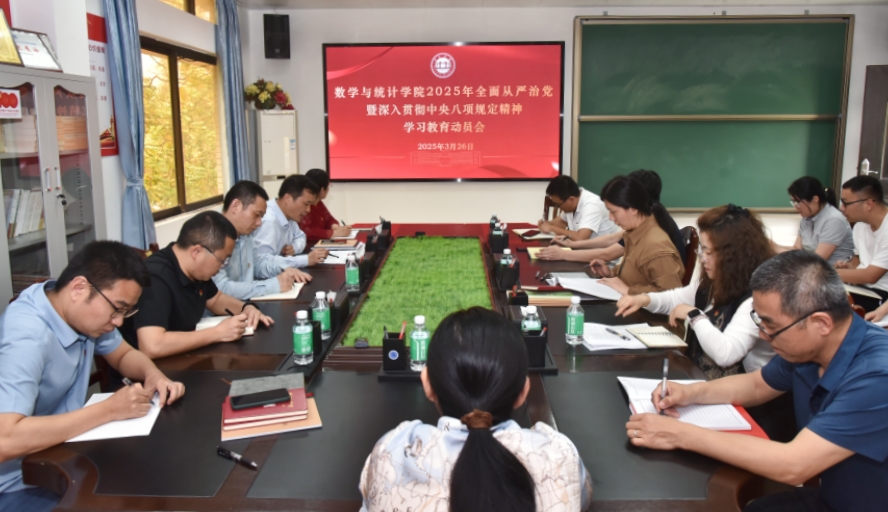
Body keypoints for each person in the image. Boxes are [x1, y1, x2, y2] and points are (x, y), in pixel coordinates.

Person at [625, 251, 888, 512]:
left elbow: (793, 465)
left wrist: (678, 434)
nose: (763, 335)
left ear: (821, 323)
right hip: (832, 496)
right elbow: (757, 385)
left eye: (771, 326)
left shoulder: (877, 376)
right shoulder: (810, 348)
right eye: (759, 321)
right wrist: (690, 392)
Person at [0, 241, 185, 512]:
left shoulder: (72, 308)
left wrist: (153, 375)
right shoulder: (27, 337)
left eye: (126, 312)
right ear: (79, 288)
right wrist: (109, 410)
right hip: (19, 483)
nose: (119, 322)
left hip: (63, 454)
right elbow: (5, 439)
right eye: (117, 308)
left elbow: (123, 355)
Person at [360, 307, 592, 512]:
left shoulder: (393, 450)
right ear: (524, 391)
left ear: (427, 384)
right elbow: (582, 494)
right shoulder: (560, 454)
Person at [616, 205, 775, 379]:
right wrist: (643, 299)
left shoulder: (756, 299)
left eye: (708, 251)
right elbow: (674, 298)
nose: (702, 258)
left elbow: (726, 354)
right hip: (701, 377)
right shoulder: (712, 283)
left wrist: (694, 315)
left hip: (741, 390)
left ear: (733, 256)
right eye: (701, 249)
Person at [121, 211, 273, 359]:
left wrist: (246, 308)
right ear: (196, 251)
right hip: (151, 370)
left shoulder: (196, 270)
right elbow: (152, 346)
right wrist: (218, 333)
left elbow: (216, 299)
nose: (222, 266)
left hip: (185, 358)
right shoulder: (155, 278)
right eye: (222, 260)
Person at [538, 170, 686, 263]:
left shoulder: (653, 223)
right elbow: (612, 239)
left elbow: (608, 253)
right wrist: (571, 244)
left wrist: (563, 254)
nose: (611, 217)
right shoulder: (650, 215)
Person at [214, 180, 311, 301]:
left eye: (261, 217)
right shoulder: (212, 236)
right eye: (256, 215)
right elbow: (221, 289)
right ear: (236, 206)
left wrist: (283, 269)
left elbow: (257, 264)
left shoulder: (246, 235)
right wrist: (272, 285)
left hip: (245, 304)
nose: (259, 223)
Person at [591, 176, 684, 295]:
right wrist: (610, 273)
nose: (611, 218)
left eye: (613, 211)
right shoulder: (636, 232)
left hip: (639, 306)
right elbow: (635, 273)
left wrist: (629, 291)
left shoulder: (656, 246)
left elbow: (671, 295)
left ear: (633, 209)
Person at [772, 176, 854, 266]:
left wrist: (777, 249)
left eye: (798, 202)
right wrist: (774, 246)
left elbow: (817, 260)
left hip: (831, 270)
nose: (796, 206)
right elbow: (797, 249)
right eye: (793, 202)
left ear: (815, 200)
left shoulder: (834, 220)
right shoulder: (807, 217)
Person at [253, 174, 329, 270]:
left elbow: (301, 236)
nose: (308, 210)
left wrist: (294, 247)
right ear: (288, 198)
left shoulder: (289, 215)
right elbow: (263, 261)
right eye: (306, 204)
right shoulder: (268, 220)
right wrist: (305, 260)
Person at [836, 176, 888, 311]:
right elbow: (858, 261)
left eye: (845, 203)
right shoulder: (860, 226)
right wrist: (848, 267)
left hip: (881, 294)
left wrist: (826, 273)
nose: (842, 208)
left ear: (869, 204)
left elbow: (871, 276)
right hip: (861, 288)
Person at [538, 175, 620, 242]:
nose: (558, 207)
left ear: (571, 200)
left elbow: (581, 238)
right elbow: (561, 222)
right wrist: (546, 224)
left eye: (558, 205)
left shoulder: (592, 205)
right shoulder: (572, 204)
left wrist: (552, 228)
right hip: (582, 250)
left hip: (601, 254)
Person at [299, 168, 351, 247]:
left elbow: (329, 219)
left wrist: (335, 227)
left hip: (320, 245)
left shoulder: (318, 202)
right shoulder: (304, 205)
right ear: (322, 190)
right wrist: (333, 233)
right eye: (328, 185)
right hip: (307, 248)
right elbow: (305, 231)